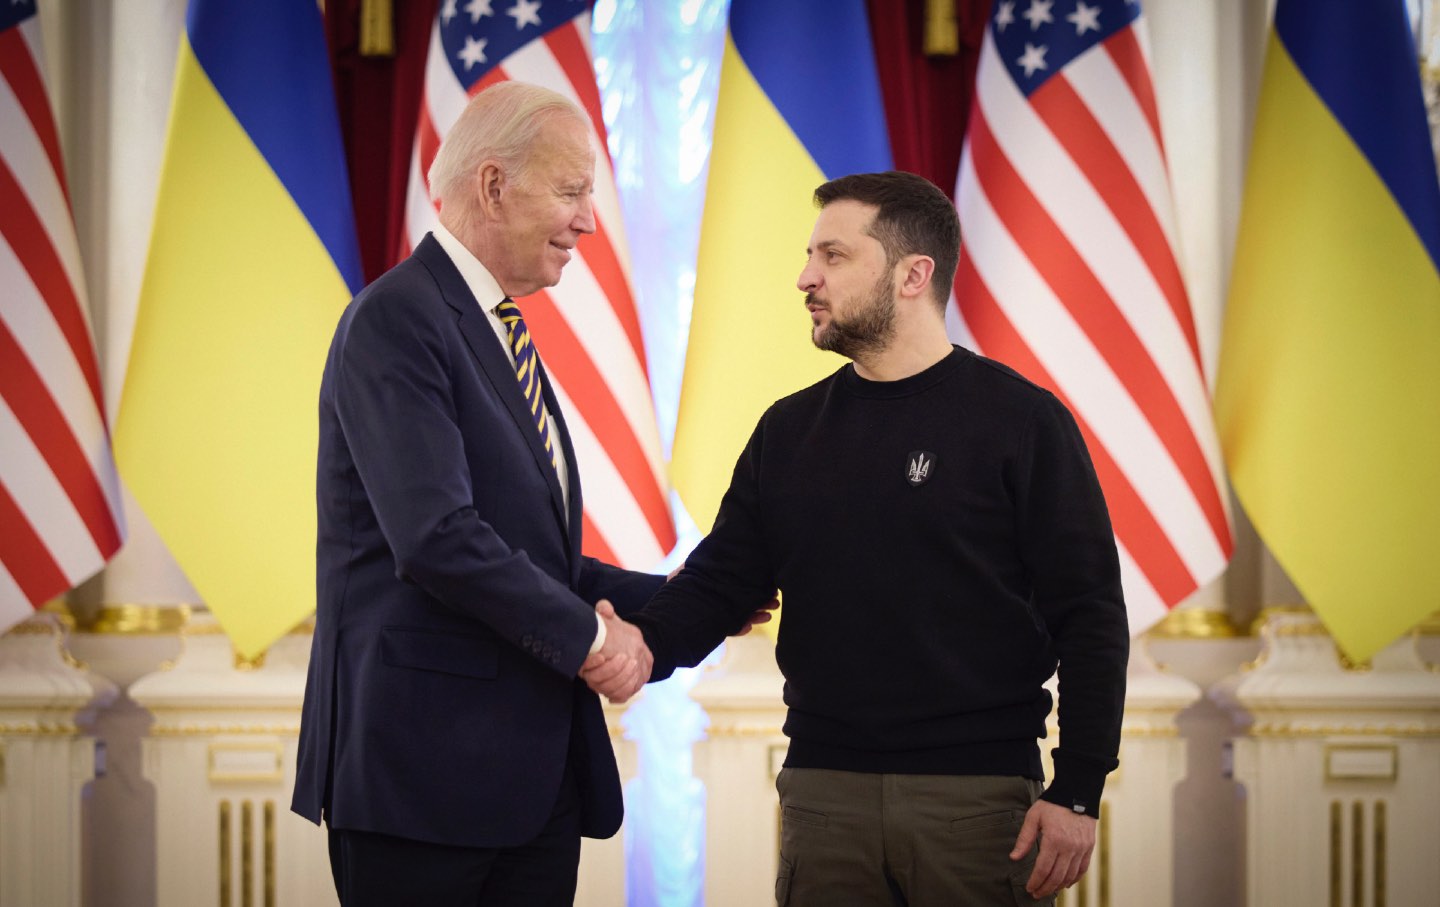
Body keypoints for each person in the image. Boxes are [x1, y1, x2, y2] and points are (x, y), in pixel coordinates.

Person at [584, 171, 1130, 905]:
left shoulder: (1023, 423)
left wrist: (1077, 790)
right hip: (822, 794)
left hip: (979, 802)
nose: (806, 277)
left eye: (834, 256)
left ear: (914, 274)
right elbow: (720, 585)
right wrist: (640, 645)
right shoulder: (788, 431)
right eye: (812, 255)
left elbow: (1091, 615)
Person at [291, 81, 662, 907]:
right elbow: (436, 536)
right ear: (494, 185)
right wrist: (592, 640)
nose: (590, 221)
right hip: (423, 781)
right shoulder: (397, 318)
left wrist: (689, 599)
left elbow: (533, 554)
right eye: (572, 192)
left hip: (526, 785)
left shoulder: (494, 327)